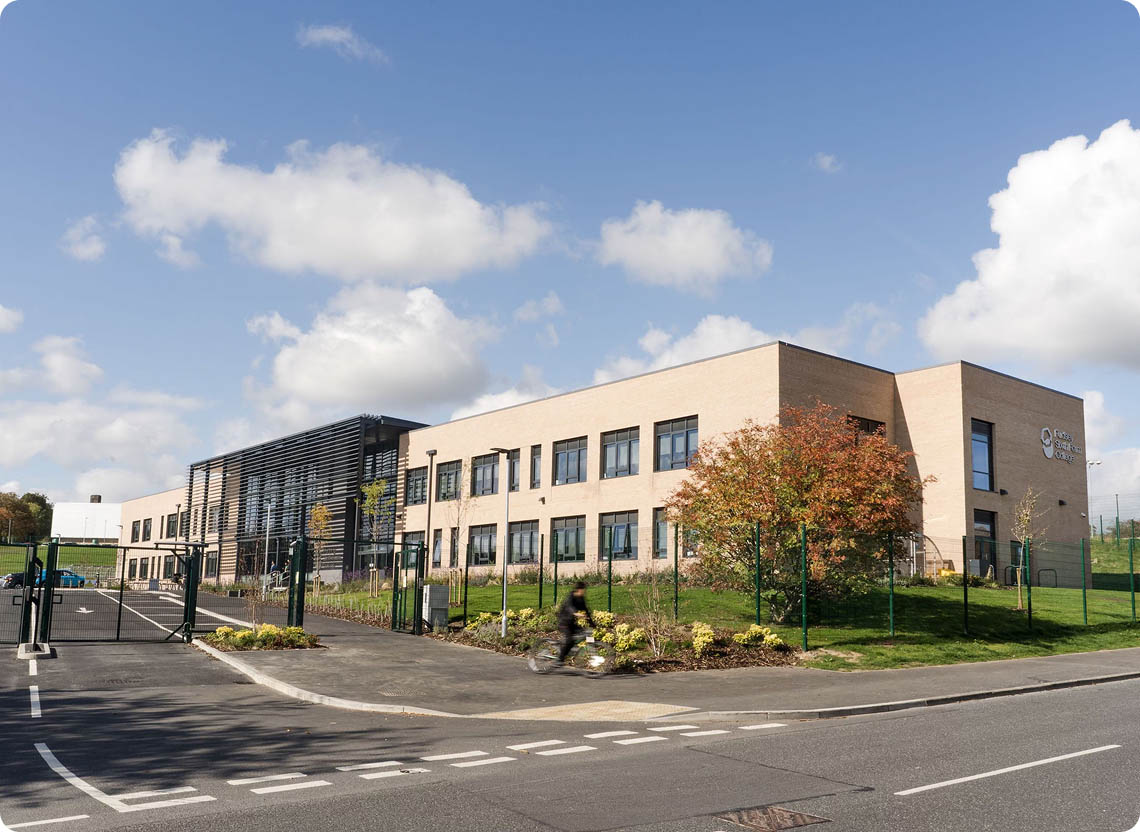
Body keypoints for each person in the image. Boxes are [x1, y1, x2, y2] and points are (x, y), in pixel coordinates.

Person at [555, 581, 595, 665]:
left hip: (572, 623)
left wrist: (592, 623)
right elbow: (569, 607)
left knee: (582, 634)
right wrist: (575, 613)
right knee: (569, 639)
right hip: (564, 622)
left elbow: (586, 611)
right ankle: (559, 659)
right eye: (583, 589)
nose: (584, 591)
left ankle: (570, 651)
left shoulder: (581, 599)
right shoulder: (570, 597)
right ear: (579, 589)